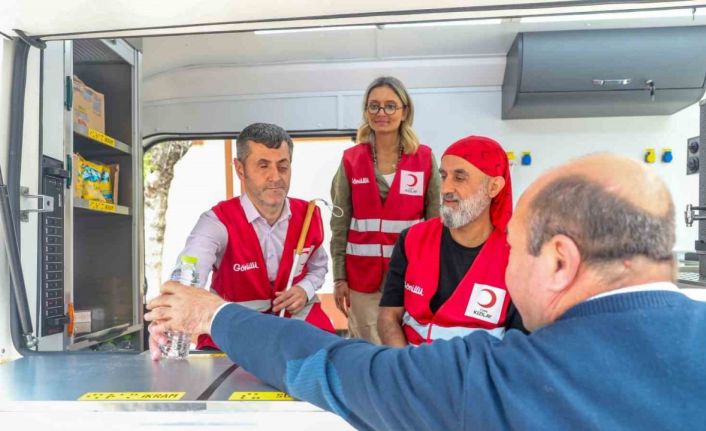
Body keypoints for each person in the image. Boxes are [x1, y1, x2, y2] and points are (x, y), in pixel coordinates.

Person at [146, 153, 706, 430]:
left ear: (560, 260)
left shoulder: (493, 379)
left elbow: (332, 369)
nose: (503, 264)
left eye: (512, 249)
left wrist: (213, 315)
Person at [170, 122, 334, 351]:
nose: (275, 177)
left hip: (300, 328)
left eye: (283, 166)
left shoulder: (309, 216)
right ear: (240, 169)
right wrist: (172, 312)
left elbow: (318, 267)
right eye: (263, 166)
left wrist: (304, 289)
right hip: (236, 334)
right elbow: (189, 272)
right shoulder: (216, 223)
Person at [378, 135, 525, 346]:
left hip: (475, 376)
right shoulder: (412, 240)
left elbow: (518, 346)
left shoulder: (517, 256)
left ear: (494, 187)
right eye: (444, 176)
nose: (445, 189)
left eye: (459, 177)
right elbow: (388, 316)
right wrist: (403, 368)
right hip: (411, 368)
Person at [330, 76, 440, 343]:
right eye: (374, 106)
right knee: (368, 349)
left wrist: (436, 273)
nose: (382, 113)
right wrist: (339, 277)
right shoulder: (351, 160)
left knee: (406, 346)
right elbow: (339, 226)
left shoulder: (424, 158)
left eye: (390, 106)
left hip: (409, 276)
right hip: (361, 280)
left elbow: (436, 223)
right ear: (366, 112)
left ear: (405, 111)